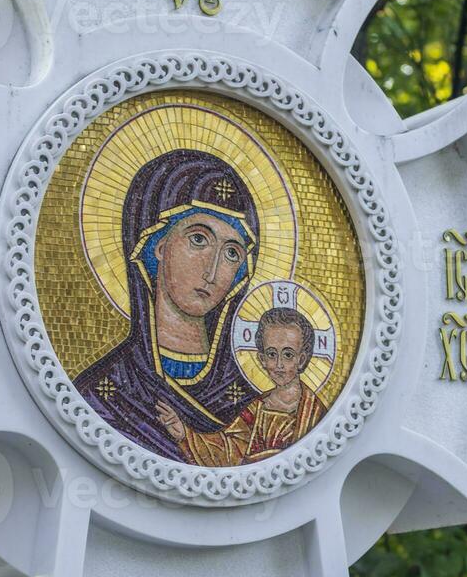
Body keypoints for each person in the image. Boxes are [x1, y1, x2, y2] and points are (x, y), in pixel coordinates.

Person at [74, 150, 261, 460]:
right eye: (198, 239)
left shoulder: (250, 405)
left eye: (231, 254)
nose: (212, 271)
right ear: (158, 244)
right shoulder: (107, 392)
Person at [156, 307, 326, 465]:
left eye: (288, 354)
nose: (279, 364)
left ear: (302, 359)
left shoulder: (314, 412)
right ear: (262, 360)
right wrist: (185, 434)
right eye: (272, 354)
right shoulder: (256, 408)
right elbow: (229, 452)